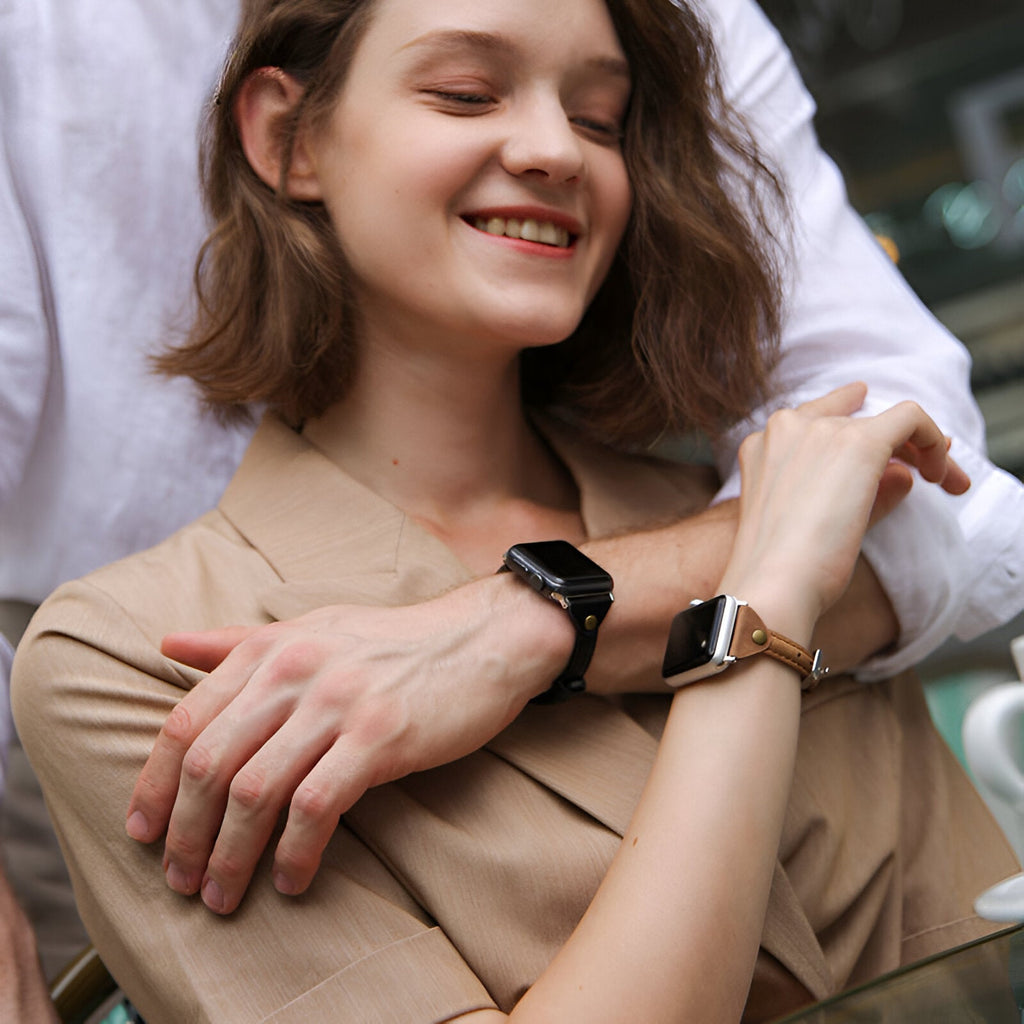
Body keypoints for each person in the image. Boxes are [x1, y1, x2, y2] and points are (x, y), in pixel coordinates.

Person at [11, 0, 1018, 1021]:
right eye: (465, 94)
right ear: (288, 138)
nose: (556, 150)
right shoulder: (130, 657)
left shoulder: (750, 518)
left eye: (598, 119)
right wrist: (755, 613)